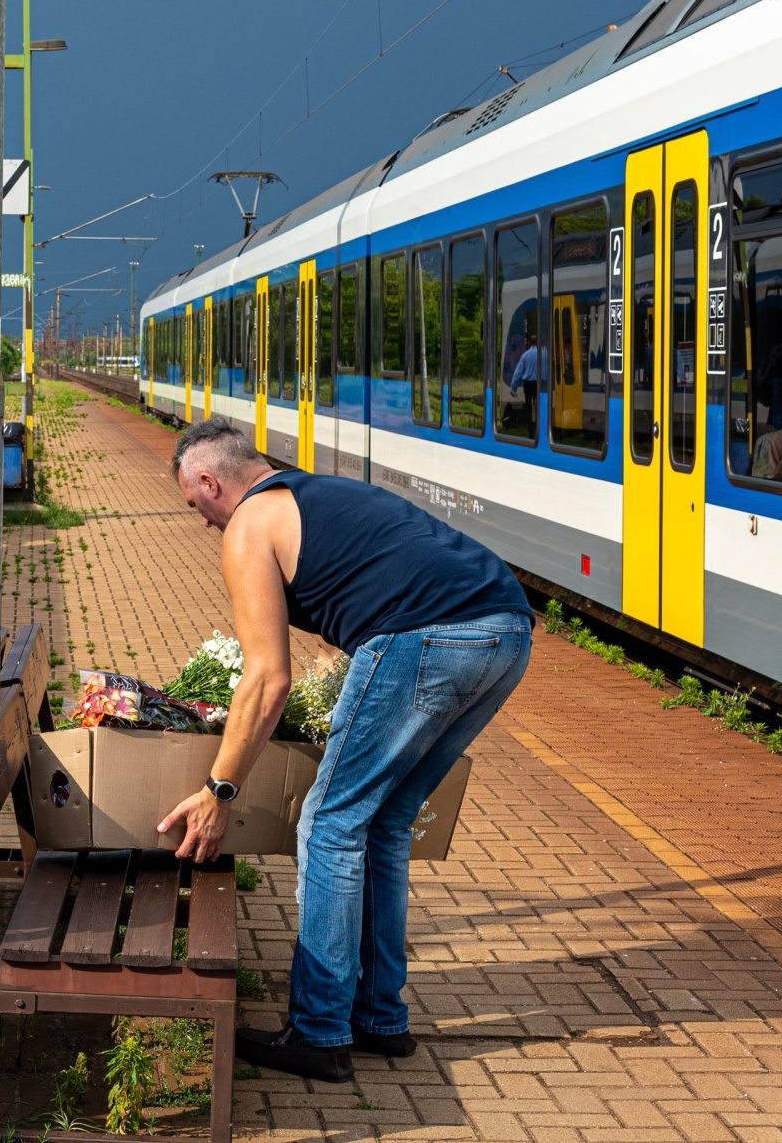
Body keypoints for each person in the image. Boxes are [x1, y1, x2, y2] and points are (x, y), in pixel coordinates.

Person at [160, 417, 532, 1082]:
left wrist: (220, 791)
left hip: (427, 636)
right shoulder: (316, 494)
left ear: (210, 483)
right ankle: (379, 1018)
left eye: (196, 505)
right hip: (506, 629)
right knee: (385, 823)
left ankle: (321, 1031)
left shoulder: (249, 526)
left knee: (329, 824)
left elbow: (266, 676)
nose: (202, 522)